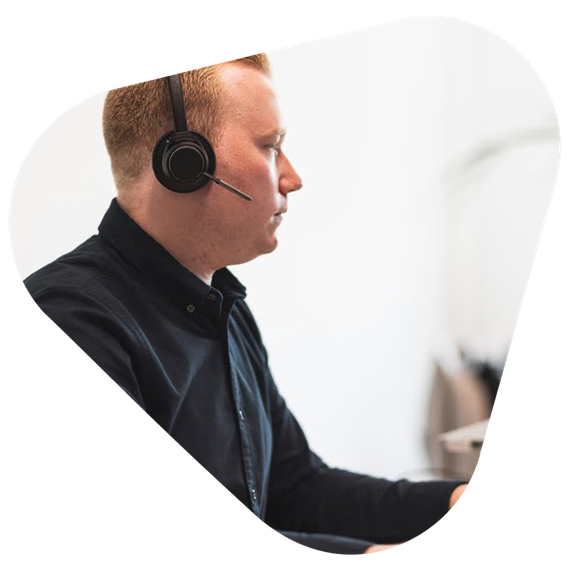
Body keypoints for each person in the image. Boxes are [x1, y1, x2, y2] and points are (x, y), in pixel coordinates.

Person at [22, 54, 469, 555]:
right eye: (270, 146)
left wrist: (452, 500)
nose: (292, 178)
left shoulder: (222, 308)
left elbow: (296, 490)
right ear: (185, 163)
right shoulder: (72, 319)